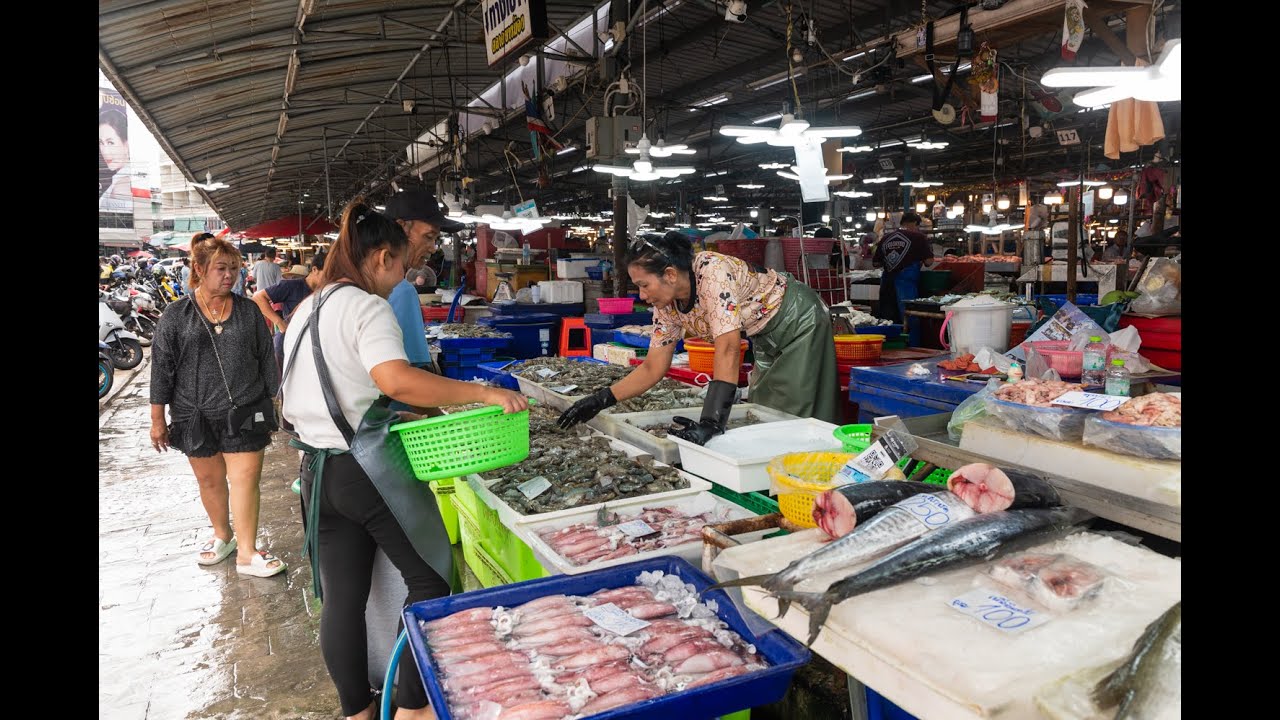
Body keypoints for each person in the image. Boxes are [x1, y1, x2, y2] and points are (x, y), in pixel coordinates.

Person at [281, 199, 526, 720]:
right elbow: (395, 379)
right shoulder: (368, 306)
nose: (401, 279)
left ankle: (358, 712)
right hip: (365, 468)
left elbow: (343, 385)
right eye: (399, 266)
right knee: (432, 580)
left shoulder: (307, 309)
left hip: (316, 471)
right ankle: (412, 705)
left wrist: (394, 410)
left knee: (343, 598)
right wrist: (480, 394)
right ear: (381, 258)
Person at [558, 230, 839, 438]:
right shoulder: (666, 306)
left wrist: (712, 422)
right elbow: (654, 366)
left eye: (644, 285)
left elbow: (728, 347)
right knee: (765, 408)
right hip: (764, 333)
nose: (642, 295)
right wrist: (600, 399)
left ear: (669, 274)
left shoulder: (711, 273)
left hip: (798, 319)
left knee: (794, 410)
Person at [148, 234, 286, 578]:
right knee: (210, 482)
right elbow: (161, 368)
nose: (230, 276)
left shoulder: (249, 311)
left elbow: (265, 357)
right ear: (199, 269)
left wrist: (276, 398)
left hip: (245, 408)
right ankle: (223, 536)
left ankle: (247, 551)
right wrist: (157, 419)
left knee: (245, 478)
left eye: (235, 269)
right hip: (193, 414)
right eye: (221, 268)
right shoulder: (175, 315)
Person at [253, 254, 327, 371]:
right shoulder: (291, 286)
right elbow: (258, 297)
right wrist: (279, 322)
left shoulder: (325, 292)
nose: (330, 279)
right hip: (287, 345)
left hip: (311, 346)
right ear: (315, 269)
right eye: (328, 274)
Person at [872, 211, 933, 324]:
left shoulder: (885, 238)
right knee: (910, 317)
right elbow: (929, 262)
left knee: (887, 320)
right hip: (906, 284)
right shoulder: (919, 237)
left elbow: (876, 263)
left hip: (887, 284)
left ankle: (890, 341)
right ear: (915, 223)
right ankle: (911, 341)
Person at [99, 105, 132, 213]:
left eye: (110, 142)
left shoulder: (122, 186)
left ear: (126, 144)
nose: (104, 151)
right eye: (101, 143)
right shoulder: (120, 179)